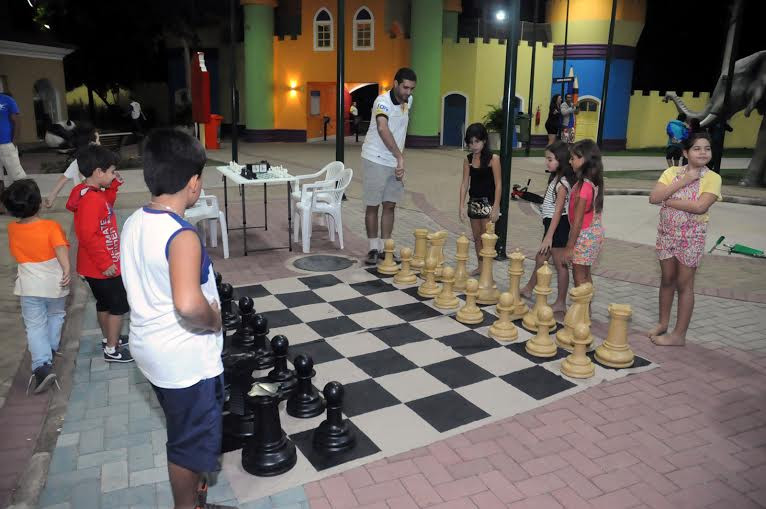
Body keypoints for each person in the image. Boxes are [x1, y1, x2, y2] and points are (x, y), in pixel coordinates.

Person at [120, 129, 229, 509]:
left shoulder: (135, 221)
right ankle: (187, 506)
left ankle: (195, 500)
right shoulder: (182, 236)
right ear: (194, 184)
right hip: (183, 359)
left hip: (149, 348)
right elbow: (186, 304)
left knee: (183, 431)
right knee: (187, 445)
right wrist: (214, 319)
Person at [648, 132, 721, 347]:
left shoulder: (713, 178)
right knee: (667, 279)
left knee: (684, 284)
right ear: (685, 152)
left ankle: (679, 335)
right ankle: (663, 323)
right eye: (697, 148)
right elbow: (654, 198)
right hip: (667, 234)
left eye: (707, 148)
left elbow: (700, 207)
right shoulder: (672, 172)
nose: (703, 152)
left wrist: (669, 201)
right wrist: (685, 181)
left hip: (691, 238)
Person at [66, 145, 133, 363]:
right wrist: (105, 263)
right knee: (118, 306)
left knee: (104, 303)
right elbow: (86, 235)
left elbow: (107, 204)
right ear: (98, 172)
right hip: (102, 267)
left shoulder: (89, 193)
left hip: (94, 266)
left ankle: (108, 339)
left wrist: (113, 186)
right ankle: (112, 349)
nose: (114, 175)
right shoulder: (91, 200)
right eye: (111, 172)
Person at [2, 179, 69, 393]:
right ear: (39, 203)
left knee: (34, 325)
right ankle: (49, 348)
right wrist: (67, 269)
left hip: (29, 286)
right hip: (55, 284)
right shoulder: (51, 227)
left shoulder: (12, 230)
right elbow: (60, 249)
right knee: (56, 315)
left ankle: (41, 364)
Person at [361, 67, 417, 265]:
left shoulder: (407, 101)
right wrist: (399, 156)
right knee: (373, 205)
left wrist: (397, 158)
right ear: (395, 84)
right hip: (375, 158)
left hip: (394, 161)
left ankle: (386, 249)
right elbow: (383, 128)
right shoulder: (382, 102)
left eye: (411, 89)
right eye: (405, 88)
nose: (408, 93)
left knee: (390, 205)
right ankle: (373, 249)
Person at [520, 141, 574, 312]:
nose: (547, 162)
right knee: (540, 258)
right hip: (552, 225)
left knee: (560, 265)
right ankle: (529, 288)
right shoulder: (556, 178)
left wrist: (549, 236)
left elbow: (558, 212)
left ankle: (560, 303)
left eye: (550, 159)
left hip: (557, 227)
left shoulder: (562, 183)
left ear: (562, 160)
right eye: (547, 159)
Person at [458, 123, 501, 274]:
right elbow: (464, 184)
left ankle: (487, 270)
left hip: (488, 202)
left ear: (484, 140)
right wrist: (461, 206)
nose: (474, 146)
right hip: (474, 202)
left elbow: (499, 184)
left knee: (486, 238)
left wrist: (496, 207)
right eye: (470, 142)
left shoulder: (493, 159)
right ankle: (480, 267)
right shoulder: (468, 160)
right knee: (477, 238)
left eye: (477, 141)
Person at [564, 139, 605, 287]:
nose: (570, 161)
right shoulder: (590, 182)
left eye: (573, 158)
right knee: (586, 276)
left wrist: (569, 247)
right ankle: (586, 310)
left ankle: (582, 310)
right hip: (593, 235)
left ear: (584, 159)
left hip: (584, 237)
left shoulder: (584, 188)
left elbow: (578, 222)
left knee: (579, 278)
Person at [44, 123, 100, 208]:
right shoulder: (97, 162)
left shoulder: (77, 162)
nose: (99, 143)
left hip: (84, 203)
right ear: (91, 144)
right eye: (98, 140)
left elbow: (63, 179)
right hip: (90, 203)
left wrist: (51, 197)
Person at [1, 92, 28, 212]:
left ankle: (26, 204)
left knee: (18, 176)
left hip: (6, 144)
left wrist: (14, 141)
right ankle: (1, 206)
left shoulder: (7, 100)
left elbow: (17, 120)